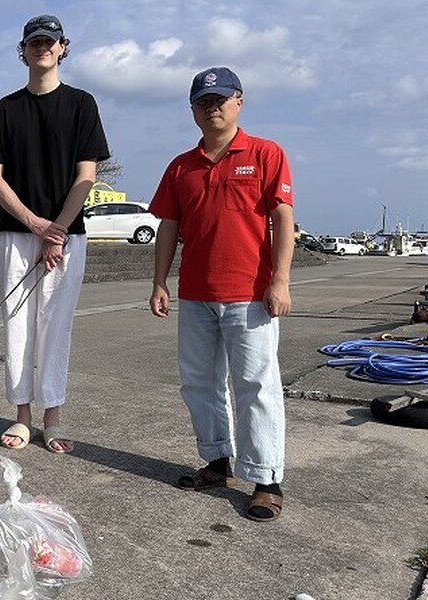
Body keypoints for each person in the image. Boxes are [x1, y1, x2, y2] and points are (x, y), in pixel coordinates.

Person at [148, 66, 294, 522]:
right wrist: (159, 281)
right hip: (195, 293)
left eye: (221, 99)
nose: (213, 107)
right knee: (199, 383)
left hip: (250, 293)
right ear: (193, 109)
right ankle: (217, 460)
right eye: (203, 101)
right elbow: (168, 227)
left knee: (256, 384)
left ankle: (267, 479)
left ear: (239, 101)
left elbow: (283, 218)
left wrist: (281, 279)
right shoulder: (181, 166)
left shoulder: (266, 153)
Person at [0, 14, 109, 453]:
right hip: (17, 231)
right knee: (17, 324)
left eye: (49, 42)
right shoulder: (5, 108)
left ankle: (52, 417)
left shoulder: (81, 104)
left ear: (62, 48)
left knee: (56, 326)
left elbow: (87, 174)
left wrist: (56, 232)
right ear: (24, 50)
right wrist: (35, 224)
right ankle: (22, 415)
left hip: (68, 234)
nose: (42, 48)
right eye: (34, 42)